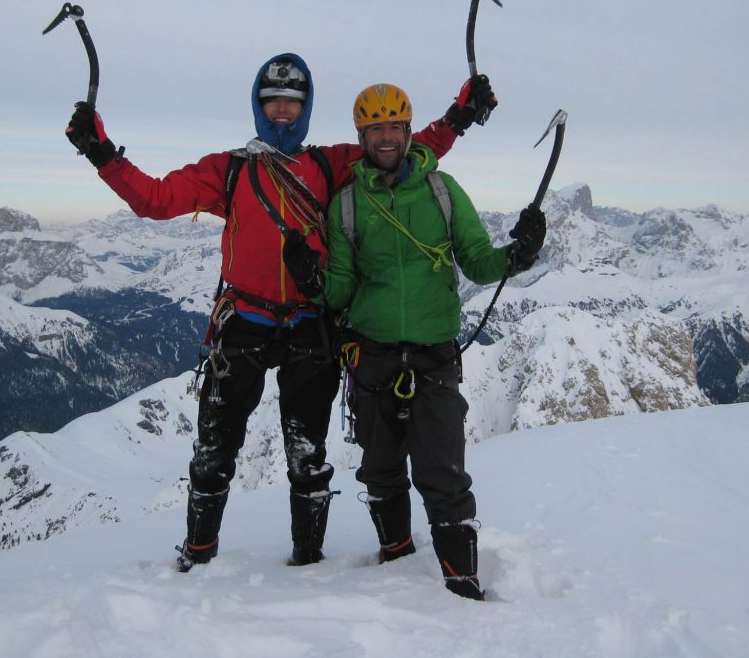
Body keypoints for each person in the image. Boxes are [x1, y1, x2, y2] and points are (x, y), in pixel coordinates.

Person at [64, 54, 497, 570]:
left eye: (292, 103)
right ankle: (197, 557)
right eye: (273, 103)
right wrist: (103, 155)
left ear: (306, 107)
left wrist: (458, 118)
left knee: (308, 457)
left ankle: (306, 564)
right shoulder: (228, 171)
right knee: (213, 453)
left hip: (310, 323)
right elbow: (156, 199)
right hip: (245, 321)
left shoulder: (329, 164)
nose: (283, 114)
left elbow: (397, 148)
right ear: (258, 106)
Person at [281, 82, 547, 599]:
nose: (385, 137)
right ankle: (397, 568)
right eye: (375, 128)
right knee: (379, 472)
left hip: (433, 356)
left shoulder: (443, 192)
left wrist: (518, 254)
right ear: (362, 135)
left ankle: (461, 586)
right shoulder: (348, 206)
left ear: (408, 131)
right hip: (372, 355)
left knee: (444, 475)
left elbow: (476, 259)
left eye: (394, 127)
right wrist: (313, 279)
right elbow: (342, 287)